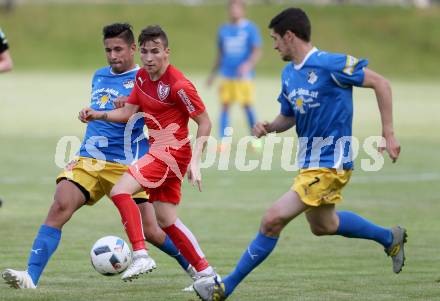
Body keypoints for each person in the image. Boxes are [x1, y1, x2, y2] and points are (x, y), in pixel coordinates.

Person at [193, 7, 406, 301]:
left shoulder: (331, 64)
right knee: (324, 225)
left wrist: (389, 133)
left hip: (331, 164)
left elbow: (381, 84)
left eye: (276, 38)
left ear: (290, 36)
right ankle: (389, 238)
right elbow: (289, 116)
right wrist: (268, 127)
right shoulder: (289, 73)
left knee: (271, 220)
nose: (274, 44)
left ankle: (223, 288)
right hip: (309, 163)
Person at [2, 23, 193, 289]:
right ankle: (30, 277)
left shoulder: (145, 79)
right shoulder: (99, 76)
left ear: (133, 49)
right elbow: (100, 113)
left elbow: (150, 114)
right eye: (108, 50)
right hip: (89, 159)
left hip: (127, 164)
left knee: (153, 230)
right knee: (59, 207)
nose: (113, 56)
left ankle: (199, 272)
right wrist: (88, 115)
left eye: (118, 49)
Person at [79, 25, 218, 284]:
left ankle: (141, 254)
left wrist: (196, 162)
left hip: (172, 152)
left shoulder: (179, 85)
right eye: (145, 52)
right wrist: (98, 114)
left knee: (120, 191)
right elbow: (128, 112)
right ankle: (206, 273)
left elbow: (205, 122)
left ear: (167, 52)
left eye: (155, 51)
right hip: (159, 152)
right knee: (166, 220)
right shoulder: (142, 78)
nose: (149, 57)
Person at [206, 0, 262, 150]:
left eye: (237, 8)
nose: (234, 11)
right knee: (224, 107)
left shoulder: (250, 28)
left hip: (244, 77)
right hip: (227, 75)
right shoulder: (224, 30)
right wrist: (212, 75)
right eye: (231, 8)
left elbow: (257, 51)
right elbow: (220, 54)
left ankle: (255, 138)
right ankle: (224, 140)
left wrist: (248, 65)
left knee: (247, 106)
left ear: (243, 10)